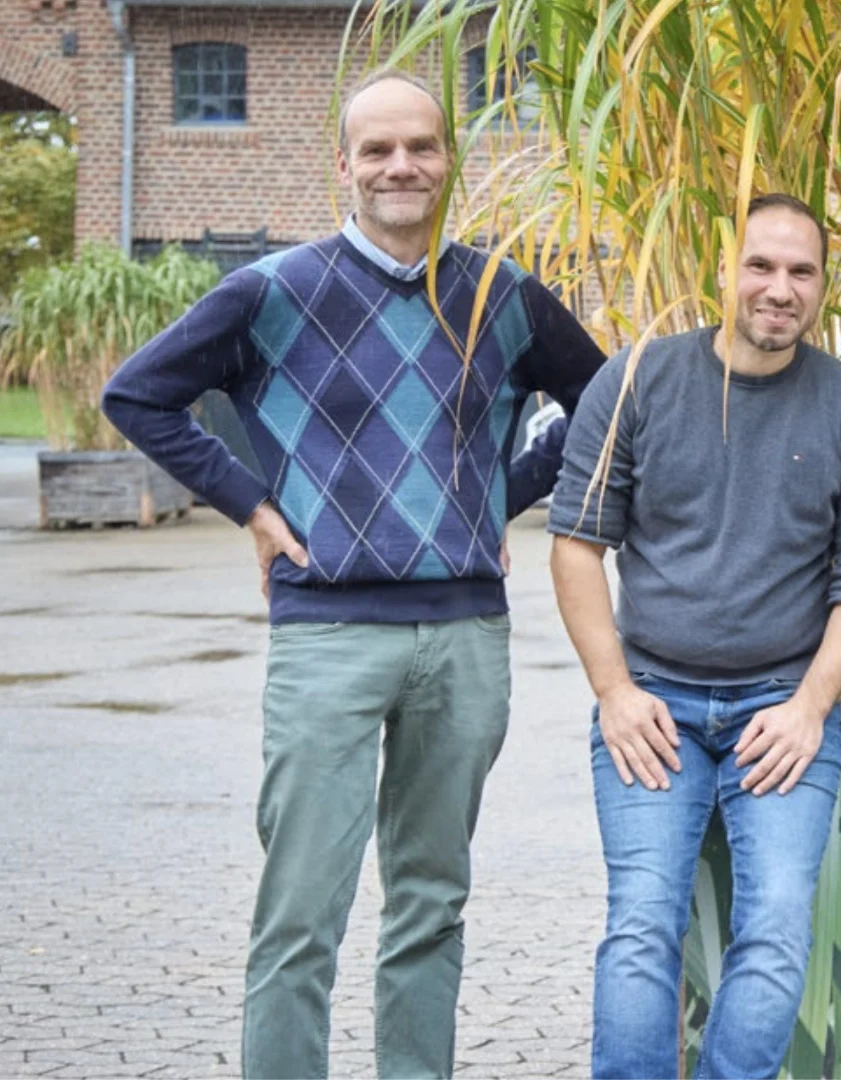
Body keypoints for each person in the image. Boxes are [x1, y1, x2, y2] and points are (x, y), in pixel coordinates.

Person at [100, 69, 607, 1079]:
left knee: (431, 904)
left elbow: (604, 402)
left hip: (465, 639)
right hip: (326, 636)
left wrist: (495, 499)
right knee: (300, 913)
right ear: (344, 165)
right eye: (376, 150)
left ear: (449, 161)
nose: (399, 166)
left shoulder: (504, 295)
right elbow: (138, 394)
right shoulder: (274, 290)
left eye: (419, 146)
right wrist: (250, 503)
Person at [547, 193, 841, 1080]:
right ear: (724, 270)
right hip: (653, 702)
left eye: (800, 272)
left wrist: (810, 707)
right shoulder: (637, 380)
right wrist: (616, 693)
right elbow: (575, 545)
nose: (779, 289)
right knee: (640, 922)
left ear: (824, 287)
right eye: (761, 266)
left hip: (781, 709)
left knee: (778, 922)